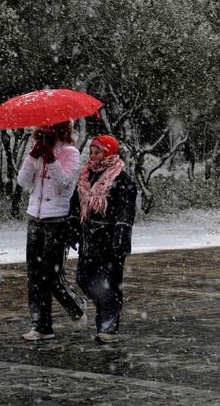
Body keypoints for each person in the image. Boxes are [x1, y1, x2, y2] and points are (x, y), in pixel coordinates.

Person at [17, 120, 87, 340]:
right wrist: (32, 157)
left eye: (49, 131)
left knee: (51, 274)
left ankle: (75, 307)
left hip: (57, 220)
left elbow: (65, 183)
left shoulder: (71, 153)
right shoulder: (35, 150)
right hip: (34, 217)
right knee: (34, 274)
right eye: (41, 131)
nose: (44, 134)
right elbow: (22, 181)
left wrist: (52, 159)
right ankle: (41, 325)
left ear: (60, 131)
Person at [75, 134, 137, 344]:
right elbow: (78, 207)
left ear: (108, 152)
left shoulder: (121, 179)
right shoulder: (86, 176)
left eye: (98, 151)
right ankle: (106, 309)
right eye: (91, 151)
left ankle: (108, 328)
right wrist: (73, 230)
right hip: (89, 240)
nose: (93, 156)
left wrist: (119, 240)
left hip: (110, 241)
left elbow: (125, 214)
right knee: (83, 278)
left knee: (110, 284)